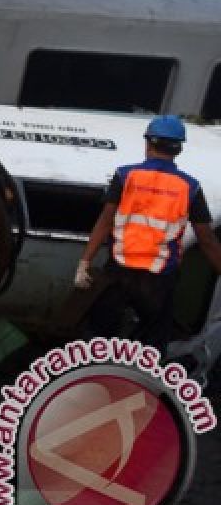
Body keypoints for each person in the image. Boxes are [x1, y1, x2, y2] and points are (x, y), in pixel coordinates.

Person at [75, 115, 221, 352]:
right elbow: (207, 240)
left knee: (97, 343)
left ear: (148, 143)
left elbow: (105, 221)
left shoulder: (125, 176)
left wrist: (85, 262)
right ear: (179, 149)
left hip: (118, 273)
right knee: (150, 350)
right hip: (159, 279)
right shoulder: (190, 187)